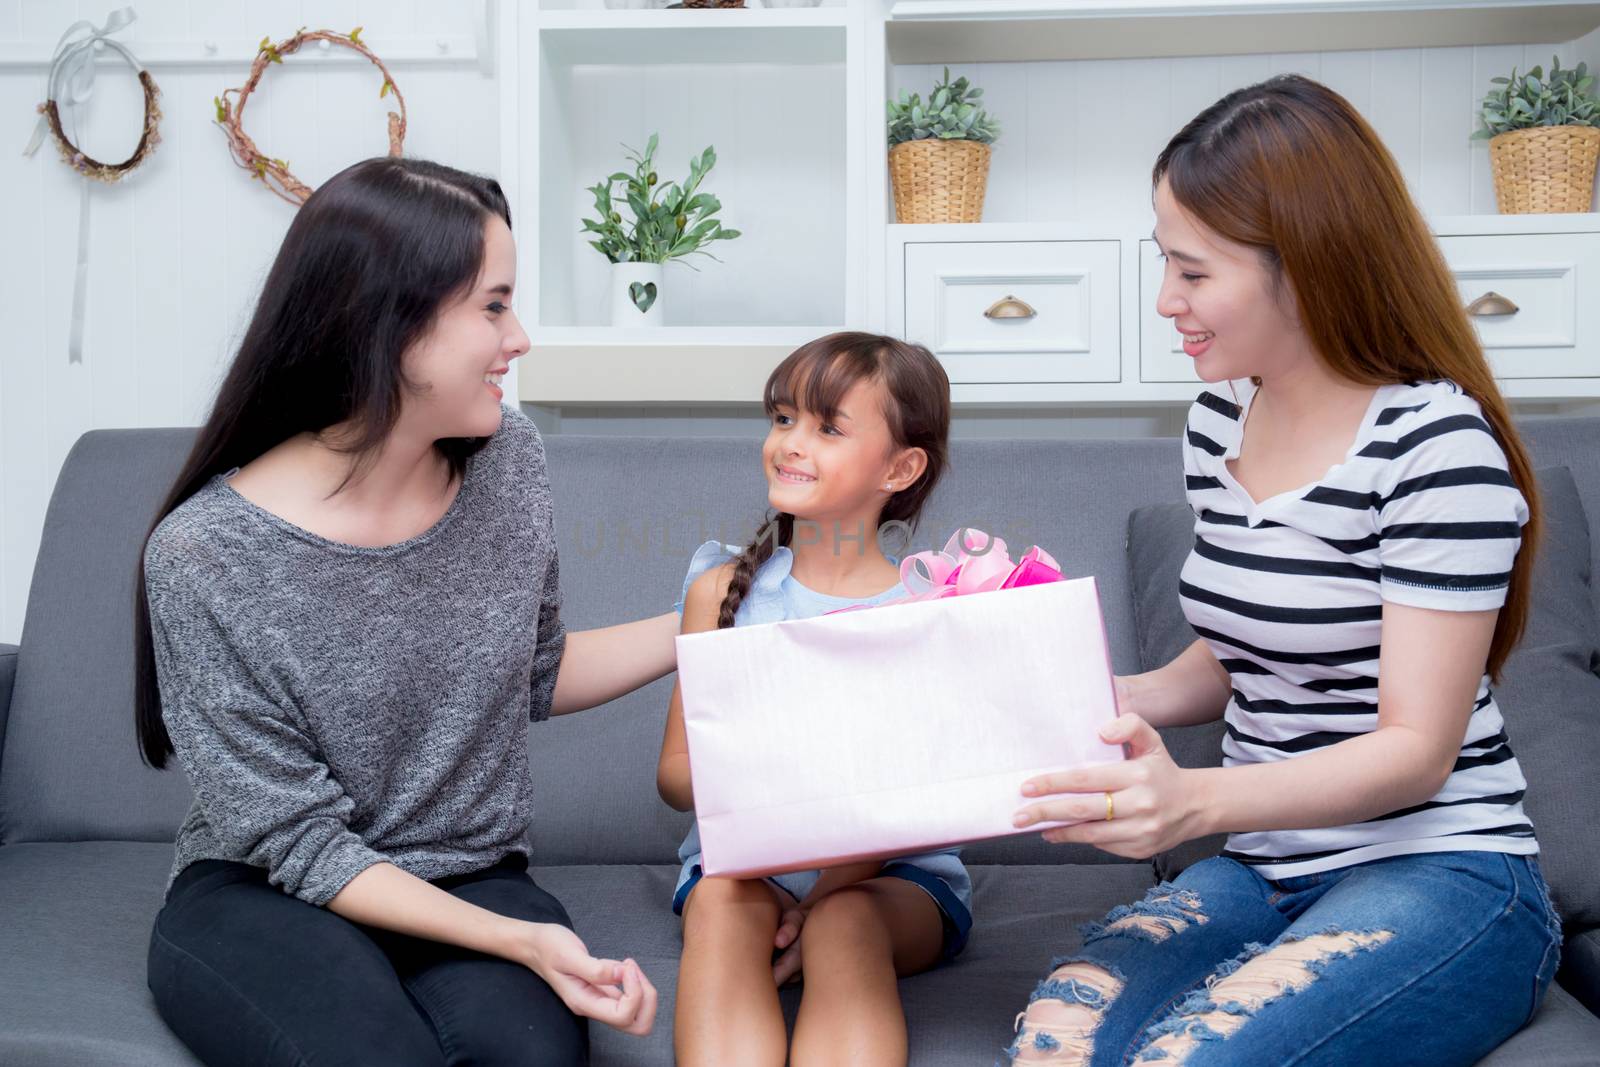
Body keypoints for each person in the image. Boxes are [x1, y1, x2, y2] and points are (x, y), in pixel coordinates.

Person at [1005, 76, 1561, 1066]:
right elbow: (1221, 664)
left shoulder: (1434, 446)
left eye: (1192, 271)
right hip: (1267, 869)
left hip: (1442, 871)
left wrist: (1194, 802)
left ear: (1301, 265)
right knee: (1059, 1038)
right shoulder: (1220, 418)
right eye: (1163, 264)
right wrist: (1027, 696)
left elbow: (1414, 750)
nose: (1166, 302)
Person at [136, 157, 669, 1066]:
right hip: (266, 886)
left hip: (469, 870)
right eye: (493, 306)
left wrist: (712, 622)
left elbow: (533, 672)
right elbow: (298, 840)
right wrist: (520, 940)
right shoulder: (204, 555)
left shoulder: (508, 462)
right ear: (390, 321)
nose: (521, 337)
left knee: (531, 1054)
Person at [657, 332, 971, 1067]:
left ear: (901, 466)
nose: (791, 443)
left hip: (895, 879)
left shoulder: (927, 608)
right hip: (741, 869)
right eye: (783, 418)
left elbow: (923, 801)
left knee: (844, 922)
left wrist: (819, 897)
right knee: (720, 903)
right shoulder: (718, 589)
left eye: (828, 427)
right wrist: (768, 766)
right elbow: (674, 775)